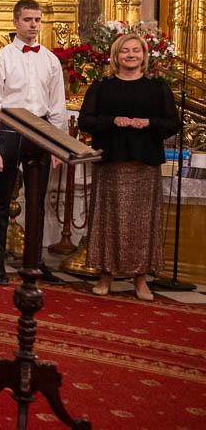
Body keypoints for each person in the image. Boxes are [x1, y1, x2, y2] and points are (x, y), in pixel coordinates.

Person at [78, 34, 180, 301]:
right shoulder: (102, 87)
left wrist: (148, 123)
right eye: (125, 51)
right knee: (108, 221)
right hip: (111, 163)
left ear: (144, 55)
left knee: (142, 224)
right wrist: (112, 120)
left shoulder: (157, 87)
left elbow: (173, 123)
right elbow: (85, 121)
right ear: (116, 56)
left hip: (144, 164)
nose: (131, 55)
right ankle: (105, 276)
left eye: (136, 50)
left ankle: (140, 278)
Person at [0, 0, 68, 286]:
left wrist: (58, 145)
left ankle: (35, 262)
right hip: (9, 131)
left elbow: (57, 106)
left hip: (41, 133)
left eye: (37, 20)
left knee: (36, 203)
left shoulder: (50, 60)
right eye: (28, 19)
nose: (33, 25)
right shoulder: (1, 58)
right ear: (15, 22)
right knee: (2, 199)